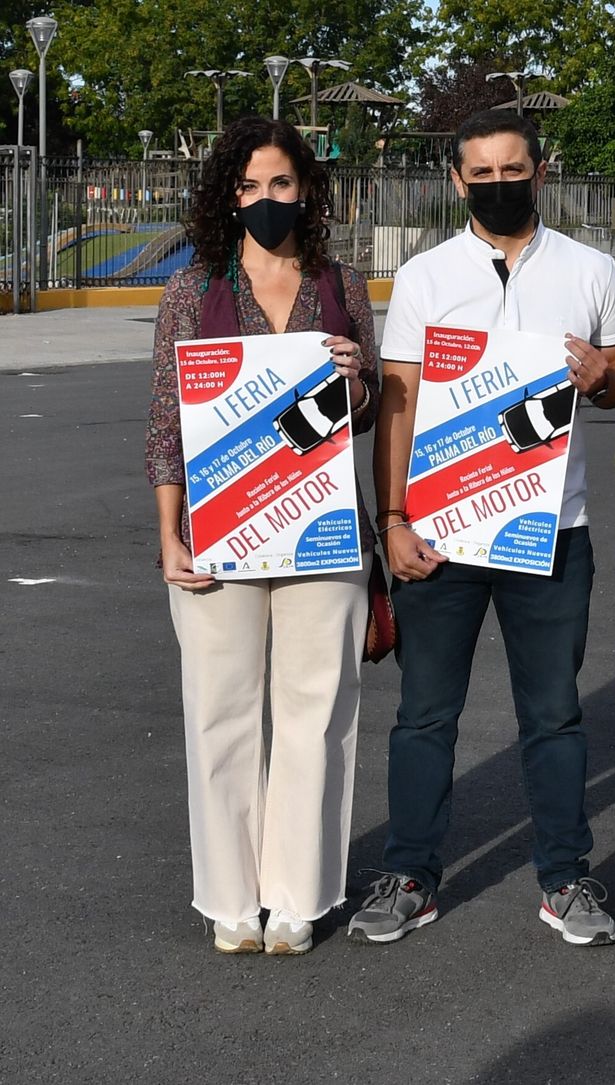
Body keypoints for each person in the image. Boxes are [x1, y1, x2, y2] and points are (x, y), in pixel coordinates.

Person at [346, 110, 615, 947]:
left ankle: (565, 875)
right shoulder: (426, 276)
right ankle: (410, 872)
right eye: (482, 173)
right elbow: (396, 405)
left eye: (513, 169)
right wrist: (393, 519)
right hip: (441, 536)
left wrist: (600, 374)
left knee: (553, 715)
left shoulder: (591, 268)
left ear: (540, 171)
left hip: (552, 533)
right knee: (424, 715)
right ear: (457, 181)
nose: (498, 184)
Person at [147, 116, 378, 956]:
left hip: (321, 533)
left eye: (280, 184)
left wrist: (354, 380)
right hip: (218, 534)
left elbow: (366, 407)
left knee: (317, 713)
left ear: (306, 189)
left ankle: (299, 894)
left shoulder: (341, 286)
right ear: (226, 196)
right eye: (249, 187)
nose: (266, 200)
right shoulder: (190, 292)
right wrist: (168, 532)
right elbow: (167, 426)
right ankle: (229, 896)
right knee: (220, 710)